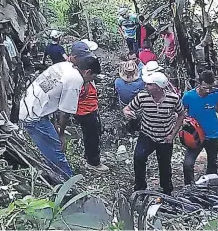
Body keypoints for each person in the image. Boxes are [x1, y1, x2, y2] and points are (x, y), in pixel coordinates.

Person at [19, 42, 101, 179]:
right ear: (87, 72)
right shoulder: (75, 79)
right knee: (56, 151)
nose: (90, 81)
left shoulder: (64, 65)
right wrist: (61, 134)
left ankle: (53, 176)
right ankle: (67, 186)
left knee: (49, 147)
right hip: (34, 116)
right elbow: (65, 111)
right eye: (92, 77)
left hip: (30, 104)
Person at [123, 71, 185, 195]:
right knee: (138, 158)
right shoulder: (142, 97)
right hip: (147, 134)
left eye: (150, 84)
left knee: (165, 165)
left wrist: (173, 134)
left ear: (158, 87)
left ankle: (167, 191)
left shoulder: (173, 98)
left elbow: (181, 114)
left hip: (165, 137)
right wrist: (126, 112)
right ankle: (140, 189)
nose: (146, 86)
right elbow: (127, 108)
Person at [182, 70, 218, 185]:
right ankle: (189, 187)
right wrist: (185, 119)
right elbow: (181, 111)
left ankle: (211, 187)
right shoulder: (189, 96)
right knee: (188, 164)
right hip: (195, 135)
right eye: (205, 87)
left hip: (213, 133)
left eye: (210, 87)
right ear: (199, 83)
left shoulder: (216, 93)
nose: (208, 91)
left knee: (212, 163)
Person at [73, 45, 109, 172]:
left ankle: (91, 157)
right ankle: (93, 162)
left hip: (90, 109)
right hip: (85, 112)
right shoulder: (77, 80)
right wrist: (87, 83)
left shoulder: (81, 74)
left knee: (93, 135)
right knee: (91, 136)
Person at [115, 60, 145, 134]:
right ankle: (136, 127)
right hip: (137, 107)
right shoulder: (141, 83)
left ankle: (129, 128)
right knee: (138, 117)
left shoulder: (117, 82)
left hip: (124, 104)